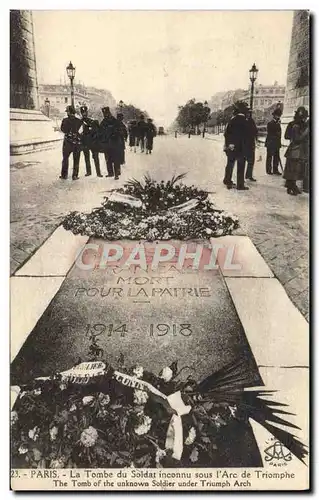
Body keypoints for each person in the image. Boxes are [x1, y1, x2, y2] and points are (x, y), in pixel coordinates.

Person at [223, 101, 250, 190]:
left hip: (232, 147)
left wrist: (229, 144)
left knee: (230, 164)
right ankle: (240, 185)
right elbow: (248, 135)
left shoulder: (232, 120)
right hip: (241, 148)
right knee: (241, 166)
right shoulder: (245, 122)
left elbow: (227, 134)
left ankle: (227, 180)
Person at [283, 106, 309, 195]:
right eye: (305, 117)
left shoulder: (297, 125)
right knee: (294, 170)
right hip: (296, 151)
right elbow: (297, 138)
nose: (306, 119)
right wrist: (306, 132)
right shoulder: (296, 126)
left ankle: (291, 187)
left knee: (293, 170)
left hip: (295, 150)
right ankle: (292, 187)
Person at [60, 105, 82, 180]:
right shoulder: (79, 121)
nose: (67, 113)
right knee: (76, 159)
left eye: (67, 112)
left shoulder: (65, 120)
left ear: (69, 112)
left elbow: (63, 130)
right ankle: (75, 176)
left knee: (65, 158)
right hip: (76, 143)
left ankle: (64, 175)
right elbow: (81, 132)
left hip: (67, 143)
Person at [99, 107, 122, 180]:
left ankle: (116, 174)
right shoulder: (103, 121)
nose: (105, 115)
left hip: (114, 142)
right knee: (108, 158)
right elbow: (100, 131)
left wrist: (113, 135)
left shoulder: (114, 121)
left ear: (109, 113)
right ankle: (111, 173)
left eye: (106, 113)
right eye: (104, 114)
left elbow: (118, 131)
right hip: (107, 143)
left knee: (115, 159)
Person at [80, 105, 102, 178]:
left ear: (87, 112)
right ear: (81, 113)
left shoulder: (92, 121)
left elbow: (98, 131)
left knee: (96, 157)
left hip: (93, 142)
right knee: (87, 158)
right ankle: (88, 172)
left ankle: (98, 173)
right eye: (82, 112)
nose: (84, 114)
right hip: (85, 142)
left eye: (85, 112)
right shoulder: (79, 122)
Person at [265, 108, 282, 175]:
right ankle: (268, 170)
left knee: (276, 157)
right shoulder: (270, 123)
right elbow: (271, 133)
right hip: (271, 142)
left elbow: (279, 133)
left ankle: (275, 170)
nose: (278, 117)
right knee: (269, 157)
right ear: (274, 115)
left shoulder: (278, 123)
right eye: (277, 115)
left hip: (277, 142)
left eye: (279, 115)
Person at [244, 108, 258, 182]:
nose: (248, 114)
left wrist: (255, 138)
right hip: (244, 144)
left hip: (251, 143)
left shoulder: (251, 121)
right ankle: (241, 177)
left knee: (251, 161)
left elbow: (255, 130)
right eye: (247, 113)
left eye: (249, 113)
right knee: (242, 161)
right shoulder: (242, 121)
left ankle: (249, 175)